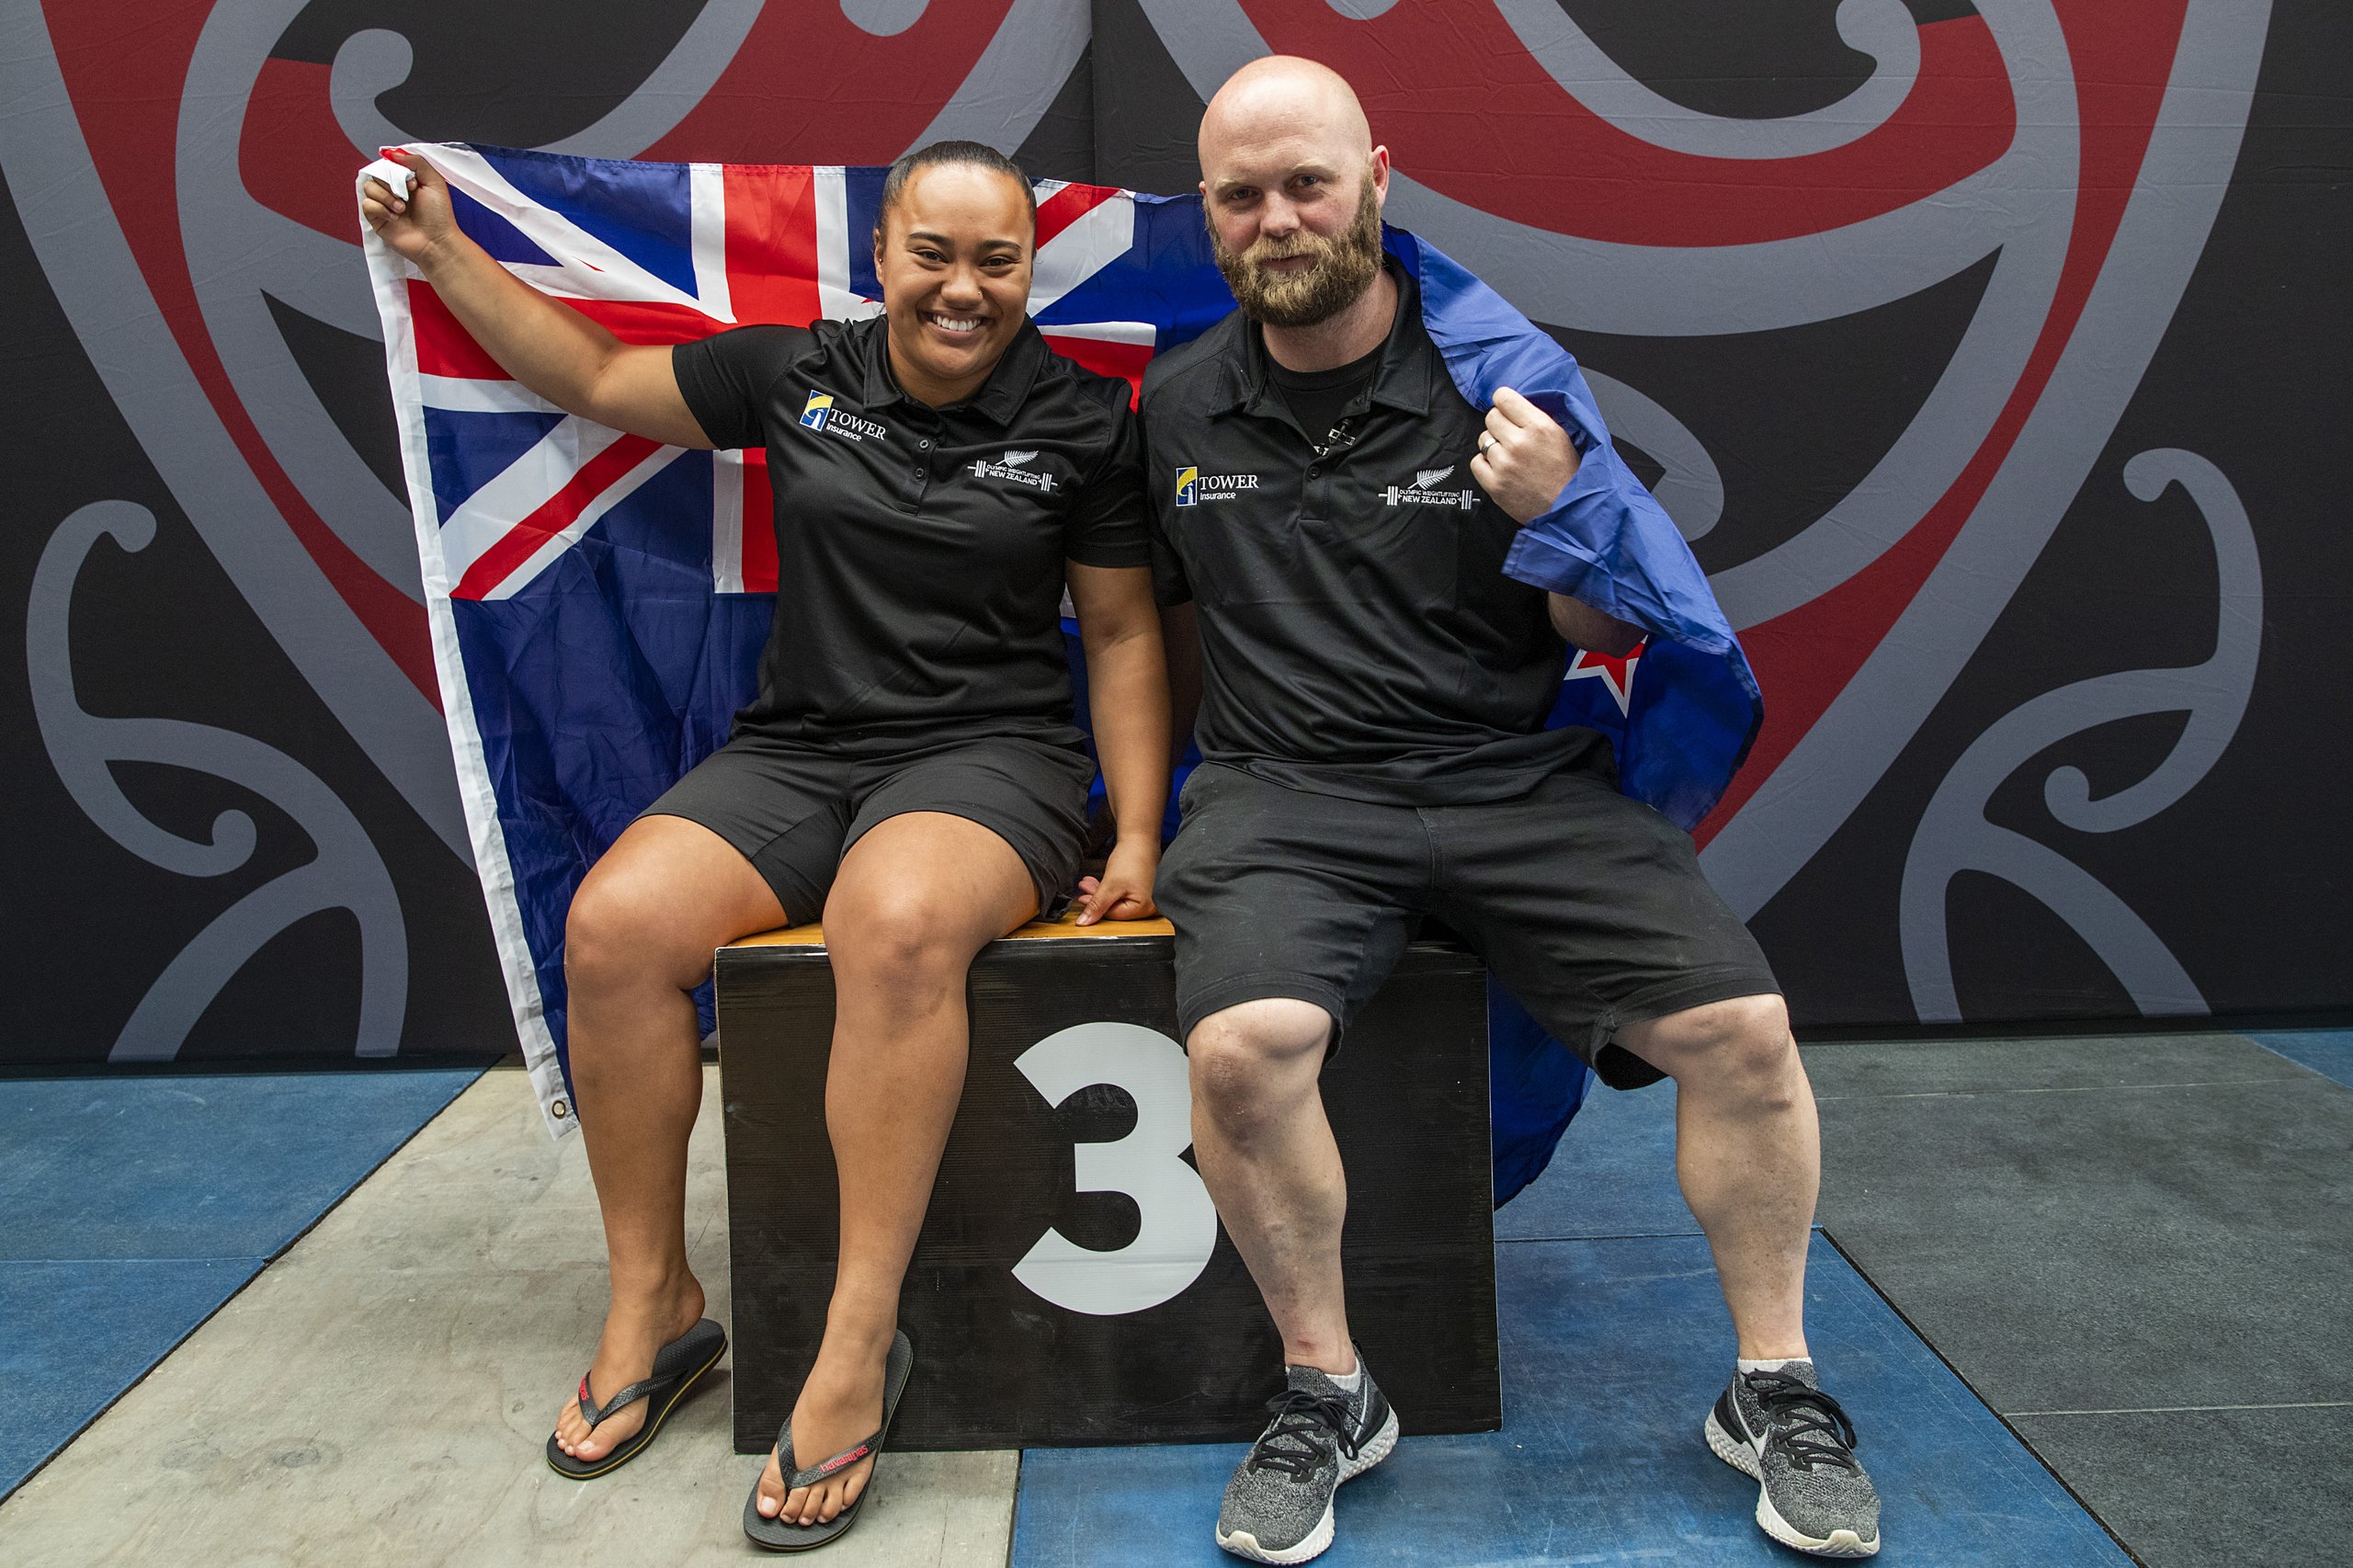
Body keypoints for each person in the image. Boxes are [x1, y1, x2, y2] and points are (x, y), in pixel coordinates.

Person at [363, 141, 1168, 1549]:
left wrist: (1144, 826)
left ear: (1031, 272)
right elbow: (603, 381)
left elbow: (1118, 629)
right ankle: (657, 1306)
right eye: (935, 253)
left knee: (894, 921)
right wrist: (442, 252)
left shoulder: (1088, 422)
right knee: (613, 930)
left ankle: (857, 1344)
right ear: (883, 258)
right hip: (804, 749)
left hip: (997, 763)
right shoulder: (800, 370)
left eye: (998, 261)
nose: (963, 288)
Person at [1140, 59, 1881, 1563]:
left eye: (1308, 182)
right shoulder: (1173, 407)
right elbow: (1156, 636)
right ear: (1207, 215)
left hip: (1510, 780)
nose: (1279, 217)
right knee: (1239, 1046)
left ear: (1379, 181)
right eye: (1242, 194)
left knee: (1746, 1034)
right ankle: (1329, 1389)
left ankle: (1775, 1384)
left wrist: (1570, 514)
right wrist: (1144, 828)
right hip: (1290, 792)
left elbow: (1610, 628)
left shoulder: (1503, 386)